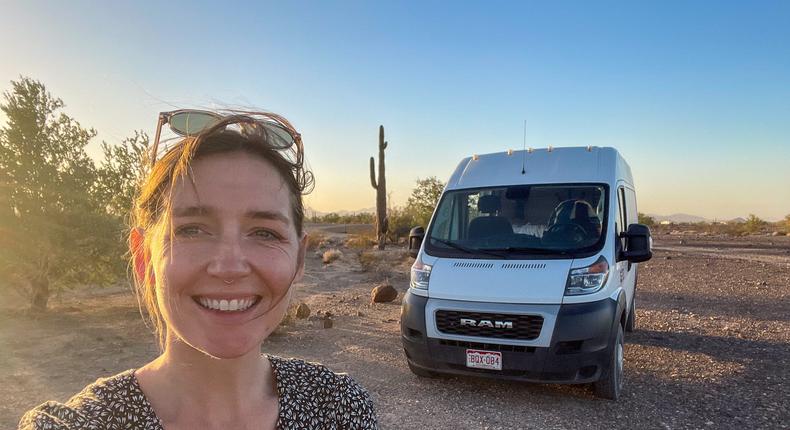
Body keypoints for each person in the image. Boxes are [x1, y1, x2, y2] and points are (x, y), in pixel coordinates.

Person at [19, 110, 378, 429]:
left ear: (299, 260)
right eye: (191, 229)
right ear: (145, 257)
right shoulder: (78, 423)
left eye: (265, 233)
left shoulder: (339, 409)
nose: (229, 266)